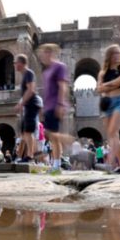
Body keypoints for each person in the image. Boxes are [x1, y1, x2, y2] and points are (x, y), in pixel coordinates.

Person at [97, 44, 120, 174]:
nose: (117, 56)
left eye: (119, 53)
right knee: (114, 136)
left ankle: (109, 163)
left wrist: (107, 85)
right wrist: (115, 84)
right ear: (109, 56)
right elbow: (99, 89)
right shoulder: (103, 72)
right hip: (107, 103)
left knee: (112, 132)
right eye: (114, 53)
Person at [38, 43, 71, 173]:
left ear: (49, 53)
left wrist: (61, 103)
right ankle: (56, 164)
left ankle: (57, 164)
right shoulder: (46, 71)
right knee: (51, 137)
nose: (41, 56)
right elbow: (47, 92)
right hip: (48, 106)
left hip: (55, 105)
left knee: (53, 136)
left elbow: (62, 85)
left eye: (43, 53)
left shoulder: (59, 67)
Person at [13, 54, 39, 163]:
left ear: (21, 63)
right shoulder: (25, 75)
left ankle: (30, 156)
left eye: (15, 62)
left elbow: (31, 90)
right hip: (29, 105)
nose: (14, 64)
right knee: (25, 132)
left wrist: (21, 104)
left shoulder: (29, 73)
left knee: (28, 132)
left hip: (31, 105)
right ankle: (29, 155)